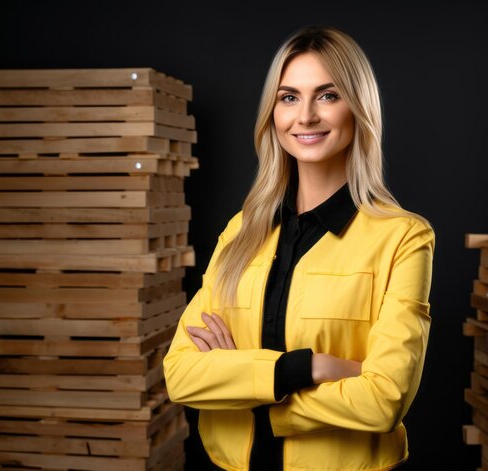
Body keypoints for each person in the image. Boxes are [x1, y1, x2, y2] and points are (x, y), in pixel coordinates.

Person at [163, 24, 435, 471]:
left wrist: (242, 385)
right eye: (289, 97)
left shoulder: (403, 238)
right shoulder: (240, 231)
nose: (304, 116)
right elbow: (180, 375)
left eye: (328, 95)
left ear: (359, 108)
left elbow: (384, 400)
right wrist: (310, 368)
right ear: (273, 112)